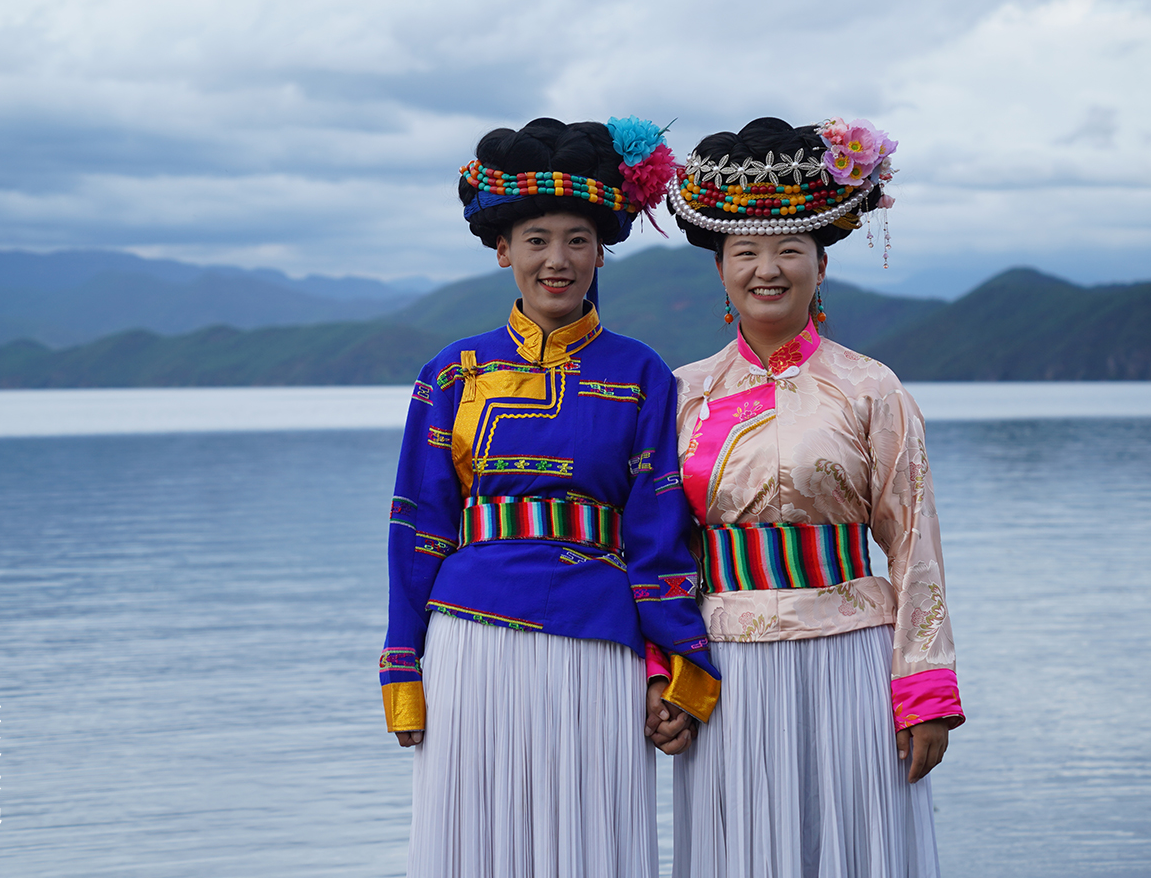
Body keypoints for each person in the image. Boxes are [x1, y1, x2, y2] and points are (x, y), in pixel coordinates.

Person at [380, 116, 721, 878]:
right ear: (504, 250)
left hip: (599, 640)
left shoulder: (641, 374)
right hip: (470, 641)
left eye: (576, 240)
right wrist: (403, 663)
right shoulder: (454, 372)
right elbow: (418, 526)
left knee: (593, 842)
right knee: (475, 843)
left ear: (603, 252)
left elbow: (658, 532)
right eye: (536, 240)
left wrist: (675, 667)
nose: (556, 260)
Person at [661, 116, 964, 877]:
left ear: (821, 266)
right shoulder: (680, 395)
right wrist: (664, 673)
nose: (769, 268)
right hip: (725, 662)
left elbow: (913, 539)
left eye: (790, 249)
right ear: (721, 269)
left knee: (856, 850)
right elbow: (657, 551)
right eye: (747, 252)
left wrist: (923, 689)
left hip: (851, 657)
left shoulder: (869, 387)